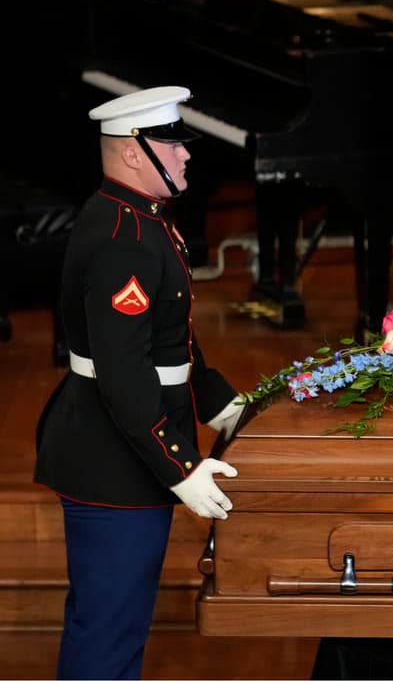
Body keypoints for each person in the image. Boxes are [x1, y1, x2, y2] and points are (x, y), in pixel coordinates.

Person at [33, 86, 245, 680]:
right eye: (170, 143)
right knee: (108, 629)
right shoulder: (123, 240)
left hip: (131, 450)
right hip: (114, 458)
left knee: (118, 622)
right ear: (133, 151)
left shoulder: (142, 220)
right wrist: (181, 464)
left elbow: (169, 338)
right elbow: (124, 373)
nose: (184, 155)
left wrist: (221, 405)